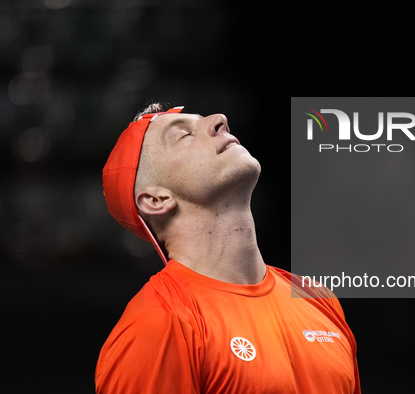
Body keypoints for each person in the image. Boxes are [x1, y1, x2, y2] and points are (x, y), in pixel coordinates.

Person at [96, 103, 361, 393]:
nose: (220, 120)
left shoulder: (317, 298)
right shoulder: (158, 324)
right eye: (184, 135)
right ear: (157, 200)